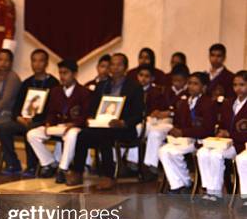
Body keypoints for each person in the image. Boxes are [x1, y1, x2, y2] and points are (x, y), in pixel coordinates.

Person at [66, 53, 144, 190]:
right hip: (102, 125)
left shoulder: (134, 87)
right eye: (112, 64)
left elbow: (138, 114)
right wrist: (90, 118)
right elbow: (93, 108)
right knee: (82, 135)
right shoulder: (102, 85)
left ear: (125, 67)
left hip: (123, 128)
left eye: (119, 65)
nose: (115, 68)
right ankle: (77, 171)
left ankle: (109, 176)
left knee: (105, 137)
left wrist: (123, 122)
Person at [27, 60, 91, 183]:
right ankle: (49, 163)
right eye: (60, 73)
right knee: (32, 134)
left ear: (74, 74)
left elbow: (85, 115)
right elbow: (51, 112)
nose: (62, 76)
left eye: (65, 73)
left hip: (75, 126)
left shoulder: (84, 92)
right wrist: (48, 123)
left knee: (72, 134)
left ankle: (63, 169)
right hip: (58, 126)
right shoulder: (55, 91)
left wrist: (74, 124)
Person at [0, 49, 58, 177]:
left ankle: (32, 166)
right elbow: (17, 106)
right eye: (34, 61)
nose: (37, 64)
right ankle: (12, 163)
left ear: (46, 63)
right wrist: (18, 117)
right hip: (24, 119)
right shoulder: (27, 83)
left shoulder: (53, 84)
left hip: (42, 121)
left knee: (30, 129)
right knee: (4, 128)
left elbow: (52, 108)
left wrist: (34, 118)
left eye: (41, 61)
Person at [158, 72, 216, 194]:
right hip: (184, 139)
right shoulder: (183, 102)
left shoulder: (208, 103)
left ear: (204, 87)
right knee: (163, 150)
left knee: (174, 152)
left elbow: (208, 129)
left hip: (199, 140)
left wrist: (183, 131)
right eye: (189, 83)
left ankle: (183, 184)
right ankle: (180, 184)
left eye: (195, 84)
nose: (191, 86)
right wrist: (175, 130)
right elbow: (178, 122)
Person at [197, 71, 247, 205]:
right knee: (202, 152)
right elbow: (223, 125)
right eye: (235, 85)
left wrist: (230, 135)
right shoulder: (228, 103)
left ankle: (216, 193)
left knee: (216, 155)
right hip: (225, 143)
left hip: (240, 145)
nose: (238, 88)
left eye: (242, 84)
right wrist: (220, 132)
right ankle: (209, 189)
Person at [138, 63, 191, 181]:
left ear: (186, 80)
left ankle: (151, 166)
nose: (176, 83)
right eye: (174, 80)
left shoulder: (188, 93)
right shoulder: (165, 90)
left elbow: (184, 112)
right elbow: (157, 105)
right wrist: (156, 111)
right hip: (159, 119)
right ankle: (131, 161)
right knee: (139, 127)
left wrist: (170, 113)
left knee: (156, 133)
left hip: (174, 122)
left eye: (180, 81)